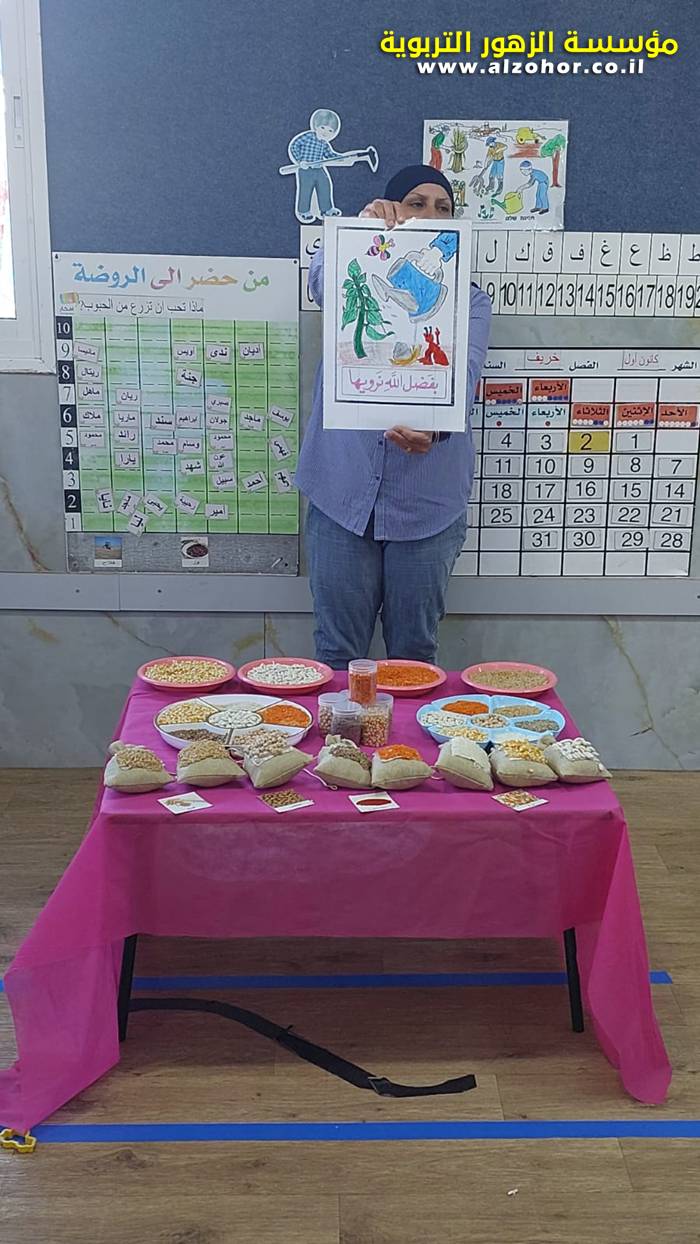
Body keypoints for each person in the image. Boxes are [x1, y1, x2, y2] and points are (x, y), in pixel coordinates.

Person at [295, 164, 492, 669]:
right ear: (392, 210)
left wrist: (435, 426)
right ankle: (342, 730)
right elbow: (320, 281)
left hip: (426, 504)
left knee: (414, 658)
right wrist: (360, 232)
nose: (430, 214)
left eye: (443, 208)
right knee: (337, 655)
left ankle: (405, 729)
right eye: (415, 203)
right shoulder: (354, 266)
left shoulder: (467, 300)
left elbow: (465, 374)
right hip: (342, 495)